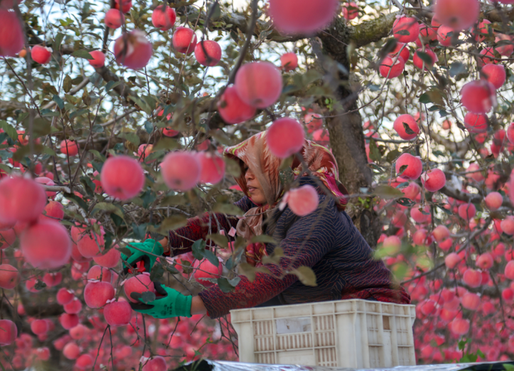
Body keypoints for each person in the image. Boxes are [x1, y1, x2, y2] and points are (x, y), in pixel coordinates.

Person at [123, 132, 410, 319]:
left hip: (371, 314)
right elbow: (216, 224)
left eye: (256, 166)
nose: (246, 177)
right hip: (328, 315)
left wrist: (189, 305)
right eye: (244, 169)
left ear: (282, 168)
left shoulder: (317, 211)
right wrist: (156, 247)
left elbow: (277, 274)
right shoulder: (266, 208)